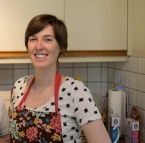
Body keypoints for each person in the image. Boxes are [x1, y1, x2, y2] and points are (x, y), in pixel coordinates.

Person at [9, 14, 111, 143]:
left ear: (61, 46)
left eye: (48, 39)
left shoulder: (76, 91)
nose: (39, 46)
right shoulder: (19, 86)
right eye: (33, 39)